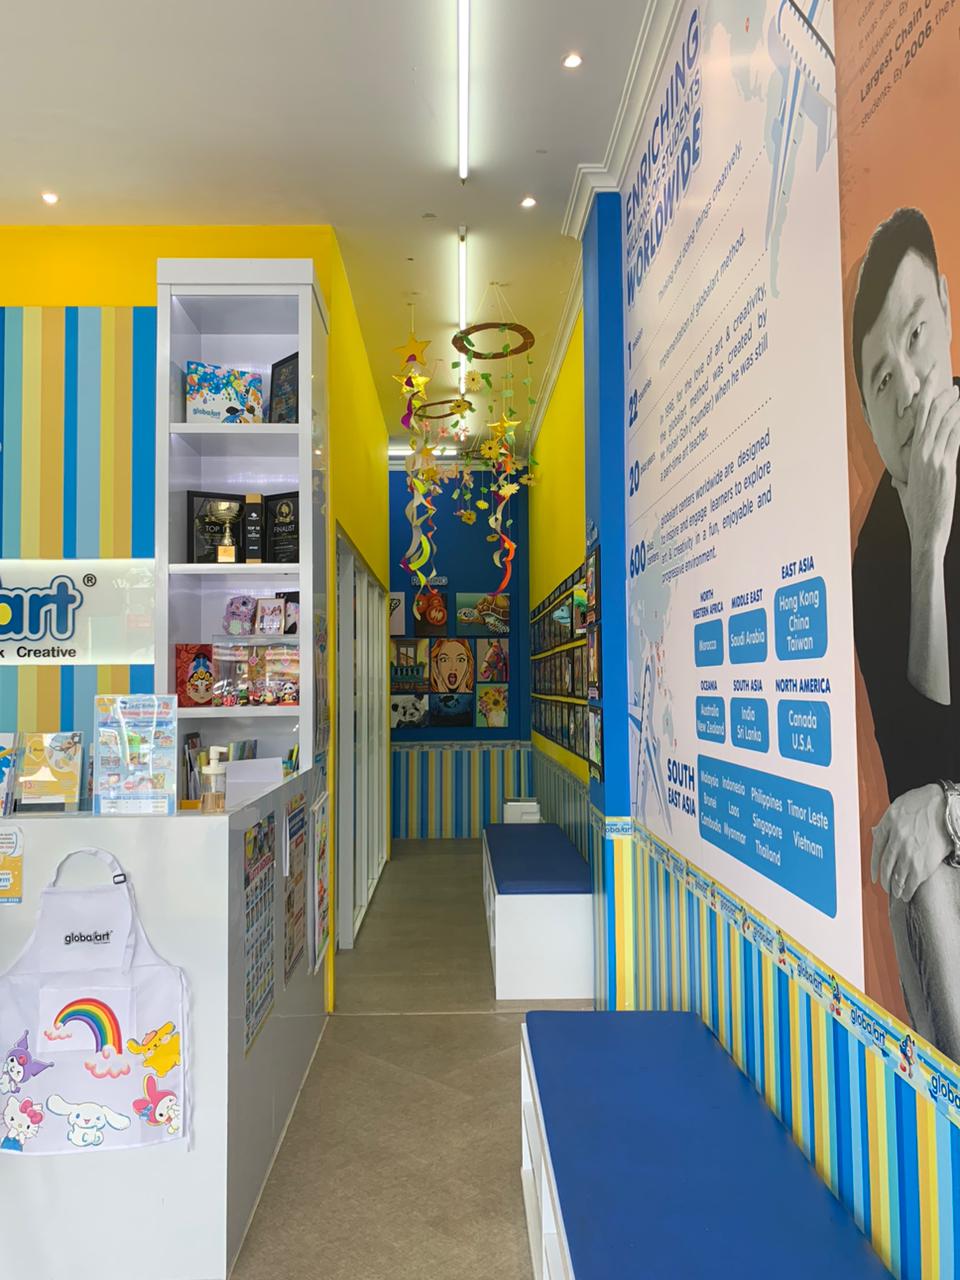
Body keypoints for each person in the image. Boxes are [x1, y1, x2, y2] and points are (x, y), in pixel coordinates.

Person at [852, 207, 960, 1062]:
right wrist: (927, 547)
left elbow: (939, 802)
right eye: (883, 381)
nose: (913, 391)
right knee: (909, 857)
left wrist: (950, 814)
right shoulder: (878, 557)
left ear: (949, 310)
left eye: (918, 335)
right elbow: (921, 767)